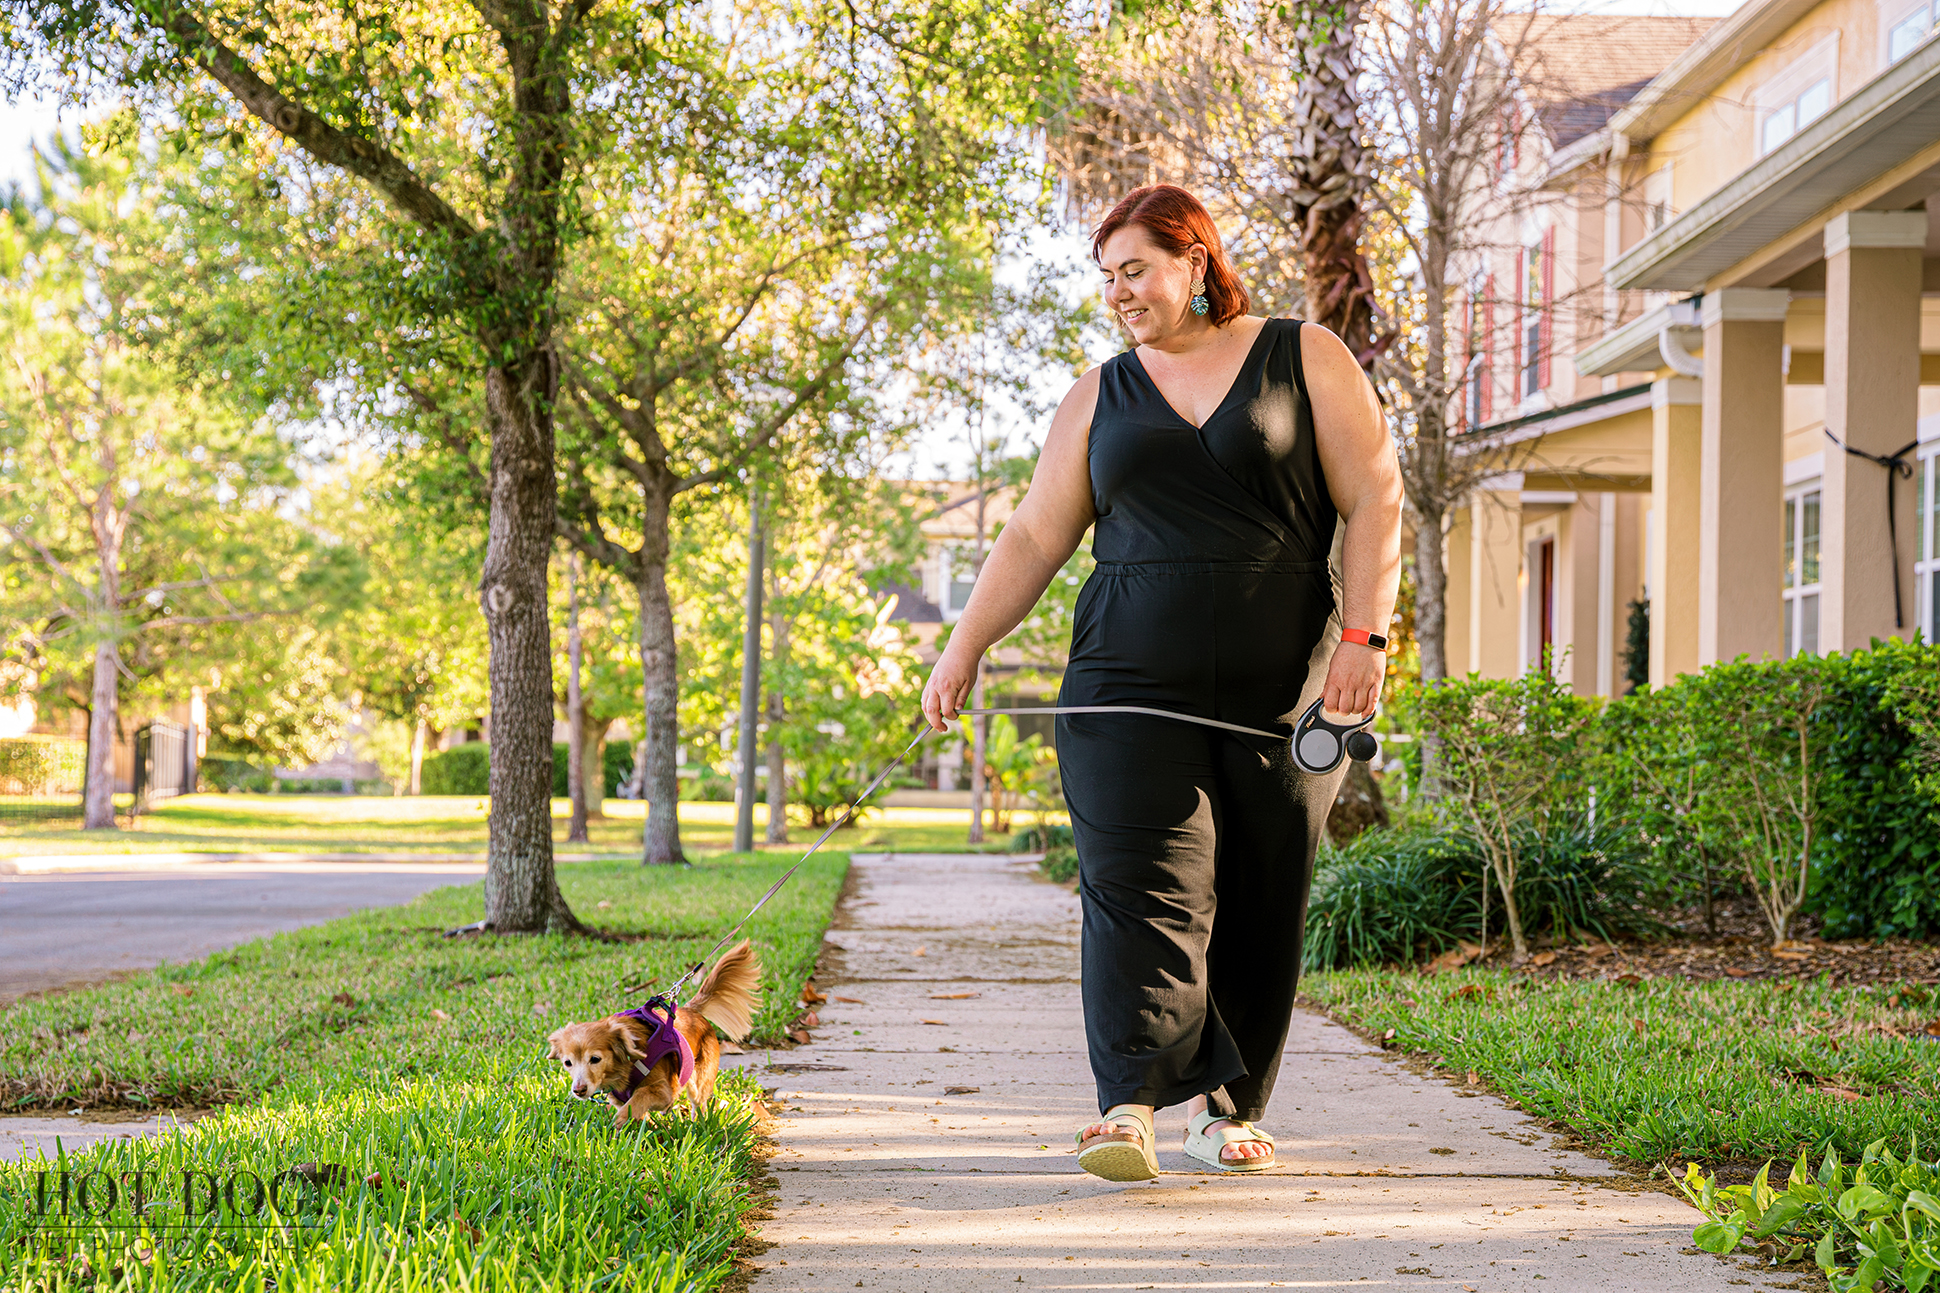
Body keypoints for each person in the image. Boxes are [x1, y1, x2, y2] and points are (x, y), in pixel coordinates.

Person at [920, 184, 1402, 1180]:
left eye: (1134, 270)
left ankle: (1228, 1110)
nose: (1119, 294)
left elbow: (1372, 498)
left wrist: (1365, 635)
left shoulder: (1301, 355)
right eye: (1106, 278)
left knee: (1261, 888)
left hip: (1285, 691)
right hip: (1121, 683)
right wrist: (961, 644)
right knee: (1142, 890)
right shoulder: (1101, 392)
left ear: (1194, 260)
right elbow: (1033, 534)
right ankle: (1126, 1105)